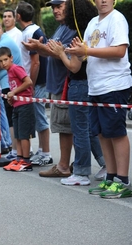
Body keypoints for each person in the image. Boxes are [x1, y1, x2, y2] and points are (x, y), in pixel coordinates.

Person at [66, 0, 132, 198]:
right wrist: (66, 52)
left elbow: (119, 50)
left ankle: (123, 181)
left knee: (116, 133)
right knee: (102, 133)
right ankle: (110, 178)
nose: (103, 1)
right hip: (95, 87)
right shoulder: (92, 23)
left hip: (114, 85)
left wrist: (85, 51)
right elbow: (78, 63)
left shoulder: (117, 19)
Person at [47, 0, 107, 186]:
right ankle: (106, 165)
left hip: (80, 84)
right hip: (89, 83)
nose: (60, 11)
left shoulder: (80, 35)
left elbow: (74, 66)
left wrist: (60, 52)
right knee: (88, 130)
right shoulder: (90, 30)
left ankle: (81, 172)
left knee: (80, 129)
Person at [22, 0, 75, 178]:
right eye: (53, 7)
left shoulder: (72, 28)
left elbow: (63, 53)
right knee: (64, 127)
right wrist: (39, 48)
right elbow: (51, 51)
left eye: (59, 6)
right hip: (57, 86)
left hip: (65, 85)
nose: (55, 10)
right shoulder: (60, 28)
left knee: (70, 128)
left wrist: (39, 48)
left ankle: (69, 165)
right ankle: (66, 165)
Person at [16, 1, 53, 166]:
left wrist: (30, 83)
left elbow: (35, 62)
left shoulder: (30, 33)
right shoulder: (32, 30)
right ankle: (41, 150)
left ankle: (46, 153)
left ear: (18, 16)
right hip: (37, 80)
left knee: (40, 117)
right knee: (37, 117)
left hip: (37, 81)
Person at [0, 19, 22, 160]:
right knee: (13, 118)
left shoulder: (2, 43)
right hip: (8, 83)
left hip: (10, 85)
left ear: (0, 28)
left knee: (13, 119)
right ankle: (17, 150)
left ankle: (15, 151)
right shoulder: (2, 41)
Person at [0, 47, 35, 171]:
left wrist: (13, 92)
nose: (3, 63)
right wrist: (12, 97)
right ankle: (19, 158)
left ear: (11, 58)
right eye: (0, 61)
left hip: (25, 105)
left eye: (5, 60)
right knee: (18, 134)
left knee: (24, 135)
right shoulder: (8, 71)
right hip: (16, 105)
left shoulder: (16, 68)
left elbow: (28, 82)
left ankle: (26, 160)